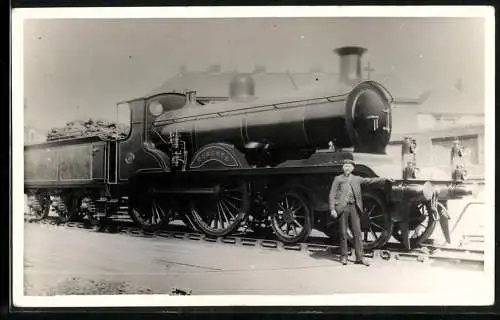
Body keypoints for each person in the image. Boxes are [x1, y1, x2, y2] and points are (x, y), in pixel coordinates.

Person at [328, 159, 393, 266]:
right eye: (345, 166)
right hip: (342, 208)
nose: (347, 168)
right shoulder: (338, 179)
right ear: (342, 168)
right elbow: (332, 194)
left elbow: (370, 181)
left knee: (357, 233)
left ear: (353, 168)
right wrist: (332, 209)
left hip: (354, 207)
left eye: (349, 166)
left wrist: (385, 179)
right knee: (343, 233)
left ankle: (359, 258)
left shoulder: (357, 179)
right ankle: (344, 257)